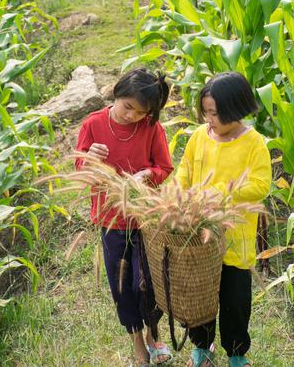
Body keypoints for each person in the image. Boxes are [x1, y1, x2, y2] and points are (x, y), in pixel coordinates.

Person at [75, 68, 174, 366]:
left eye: (141, 112)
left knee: (145, 283)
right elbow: (80, 167)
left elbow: (164, 168)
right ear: (117, 93)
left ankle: (153, 335)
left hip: (144, 219)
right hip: (111, 221)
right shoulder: (93, 125)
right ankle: (136, 341)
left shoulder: (152, 129)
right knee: (121, 286)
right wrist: (90, 156)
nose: (132, 116)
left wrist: (148, 175)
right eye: (128, 106)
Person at [176, 72, 272, 367]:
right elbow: (184, 169)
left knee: (235, 302)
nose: (209, 119)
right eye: (205, 113)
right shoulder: (198, 137)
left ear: (236, 108)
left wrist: (218, 193)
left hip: (235, 238)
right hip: (199, 236)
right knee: (199, 298)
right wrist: (180, 193)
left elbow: (260, 184)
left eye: (215, 114)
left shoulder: (254, 143)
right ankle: (202, 347)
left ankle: (236, 353)